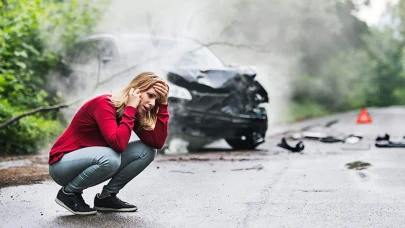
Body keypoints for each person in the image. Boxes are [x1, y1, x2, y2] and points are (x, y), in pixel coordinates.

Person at [48, 71, 170, 215]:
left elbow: (157, 142)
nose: (152, 103)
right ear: (136, 90)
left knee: (147, 151)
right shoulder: (105, 104)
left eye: (156, 100)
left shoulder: (132, 113)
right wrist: (130, 109)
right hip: (62, 165)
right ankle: (68, 194)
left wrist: (163, 106)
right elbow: (118, 144)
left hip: (91, 162)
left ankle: (106, 198)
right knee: (111, 157)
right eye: (150, 96)